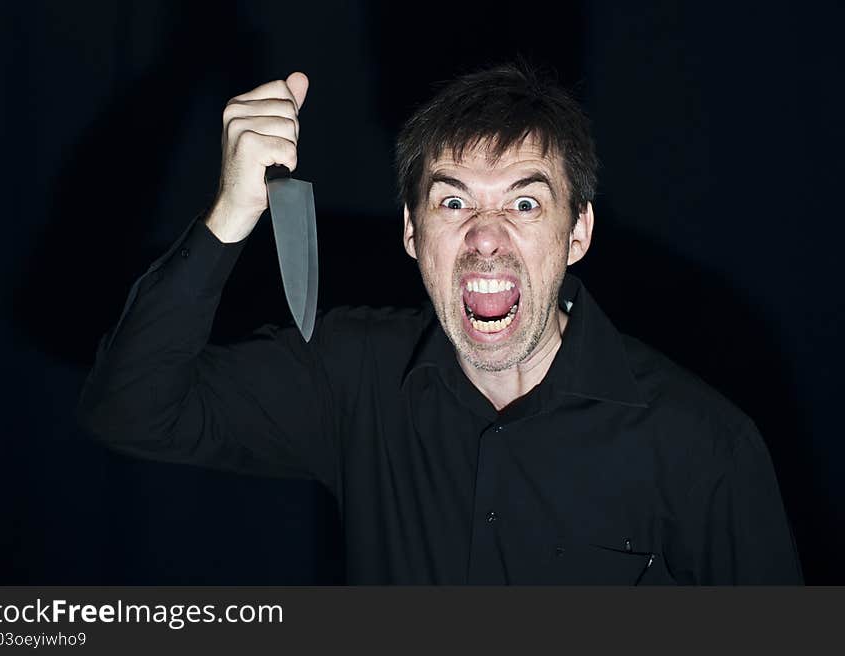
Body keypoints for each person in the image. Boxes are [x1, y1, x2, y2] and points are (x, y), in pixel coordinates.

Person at [77, 63, 803, 584]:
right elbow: (130, 411)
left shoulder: (705, 446)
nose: (485, 238)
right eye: (452, 204)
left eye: (524, 204)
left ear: (577, 233)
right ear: (411, 233)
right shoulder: (353, 378)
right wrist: (232, 213)